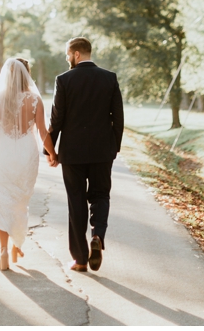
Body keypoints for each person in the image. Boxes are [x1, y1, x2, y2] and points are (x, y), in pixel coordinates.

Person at [0, 57, 58, 271]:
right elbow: (43, 132)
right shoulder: (34, 99)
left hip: (2, 154)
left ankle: (4, 250)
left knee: (1, 201)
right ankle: (17, 244)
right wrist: (53, 154)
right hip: (25, 154)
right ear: (27, 74)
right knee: (19, 201)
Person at [47, 36, 124, 273]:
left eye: (68, 54)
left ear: (76, 54)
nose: (67, 58)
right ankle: (98, 235)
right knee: (100, 196)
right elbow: (118, 117)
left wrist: (50, 150)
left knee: (76, 201)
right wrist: (114, 147)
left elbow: (56, 118)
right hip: (102, 151)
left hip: (72, 153)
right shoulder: (109, 78)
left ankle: (80, 259)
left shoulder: (64, 80)